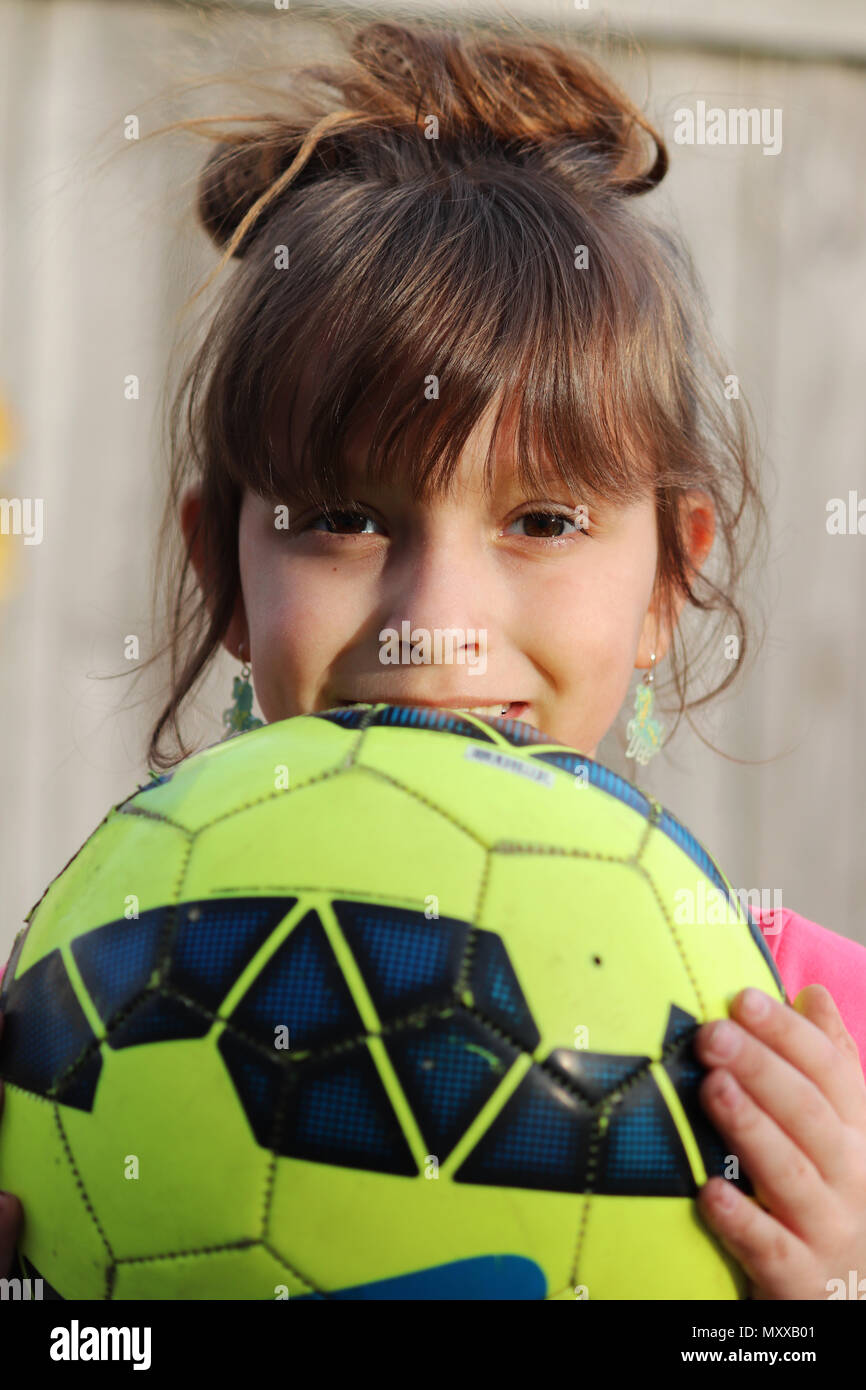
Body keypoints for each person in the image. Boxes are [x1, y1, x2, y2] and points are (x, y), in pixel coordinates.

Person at [2, 18, 865, 1299]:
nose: (436, 622)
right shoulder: (84, 1006)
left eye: (542, 521)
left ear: (666, 582)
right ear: (220, 574)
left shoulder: (813, 1046)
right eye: (343, 520)